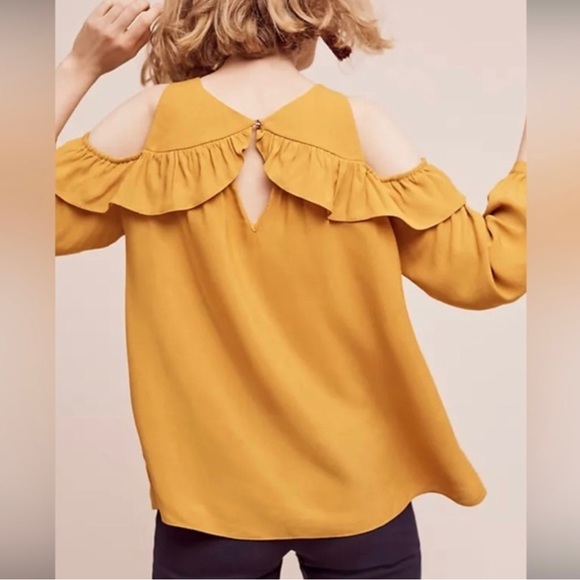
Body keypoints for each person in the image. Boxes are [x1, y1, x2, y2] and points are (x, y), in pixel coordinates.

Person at [55, 1, 527, 578]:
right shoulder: (358, 126)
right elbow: (491, 270)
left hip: (211, 502)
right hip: (360, 490)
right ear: (319, 16)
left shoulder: (153, 120)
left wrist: (79, 66)